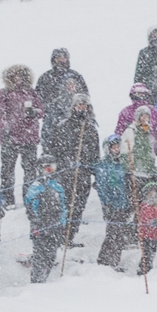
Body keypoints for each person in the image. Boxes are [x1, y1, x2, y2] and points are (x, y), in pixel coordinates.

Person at [49, 92, 98, 245]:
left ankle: (70, 236)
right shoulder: (63, 125)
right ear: (73, 106)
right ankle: (60, 235)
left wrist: (94, 171)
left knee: (79, 206)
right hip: (66, 172)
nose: (81, 107)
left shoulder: (90, 127)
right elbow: (54, 149)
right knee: (65, 205)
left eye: (84, 105)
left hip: (83, 173)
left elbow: (95, 152)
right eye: (79, 104)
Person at [0, 64, 42, 208]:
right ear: (10, 78)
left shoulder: (31, 93)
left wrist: (34, 112)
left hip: (29, 138)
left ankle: (29, 197)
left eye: (21, 76)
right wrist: (6, 128)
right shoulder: (4, 93)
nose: (18, 79)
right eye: (15, 76)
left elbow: (41, 110)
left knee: (30, 170)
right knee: (7, 170)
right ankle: (8, 200)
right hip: (10, 138)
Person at [24, 155, 66, 283]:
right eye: (46, 167)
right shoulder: (35, 187)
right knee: (40, 255)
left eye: (52, 167)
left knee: (51, 255)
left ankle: (44, 279)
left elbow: (63, 206)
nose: (49, 170)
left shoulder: (58, 187)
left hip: (55, 226)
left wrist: (62, 223)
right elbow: (30, 207)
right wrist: (36, 223)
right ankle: (36, 281)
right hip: (40, 226)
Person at [93, 135, 131, 271]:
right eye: (113, 147)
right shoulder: (104, 165)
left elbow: (124, 183)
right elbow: (102, 186)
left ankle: (114, 260)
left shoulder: (121, 164)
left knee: (119, 233)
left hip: (121, 203)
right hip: (111, 204)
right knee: (113, 232)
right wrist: (107, 204)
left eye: (117, 147)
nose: (116, 150)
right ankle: (105, 260)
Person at [35, 48, 87, 145]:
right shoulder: (45, 77)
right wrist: (47, 107)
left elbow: (84, 97)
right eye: (58, 57)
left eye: (64, 57)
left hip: (73, 118)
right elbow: (37, 99)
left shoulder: (76, 76)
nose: (61, 60)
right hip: (51, 119)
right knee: (49, 145)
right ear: (53, 59)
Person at [121, 106, 157, 190]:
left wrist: (152, 166)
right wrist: (128, 167)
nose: (145, 119)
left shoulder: (149, 132)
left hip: (147, 171)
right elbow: (125, 151)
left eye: (147, 116)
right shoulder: (131, 131)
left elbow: (151, 152)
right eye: (142, 116)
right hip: (135, 171)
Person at [135, 182, 157, 275]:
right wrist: (154, 222)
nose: (153, 194)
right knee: (146, 253)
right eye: (150, 192)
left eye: (154, 192)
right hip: (146, 235)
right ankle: (142, 270)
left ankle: (148, 269)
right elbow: (145, 219)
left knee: (152, 253)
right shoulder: (145, 206)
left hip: (155, 235)